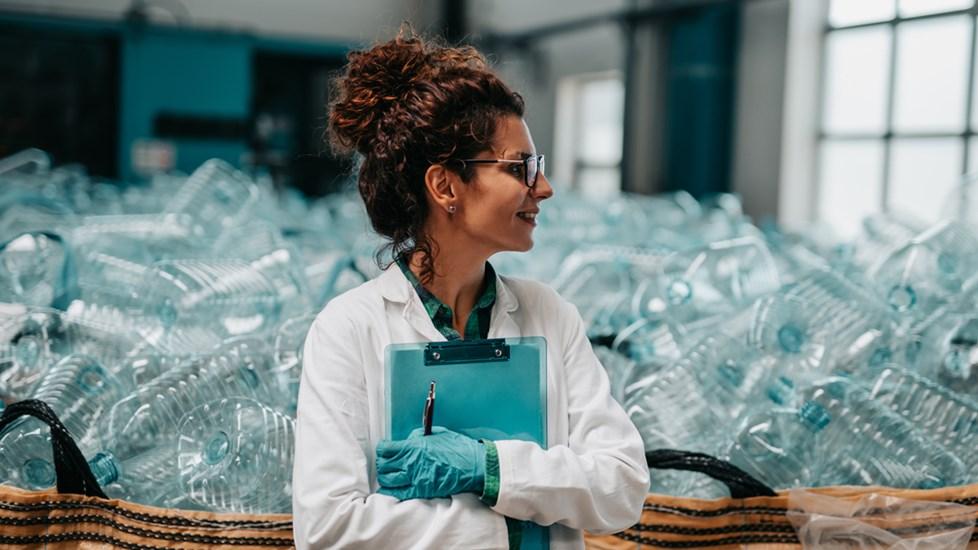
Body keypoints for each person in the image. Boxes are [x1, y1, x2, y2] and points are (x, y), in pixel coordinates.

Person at [292, 28, 649, 550]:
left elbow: (622, 486)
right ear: (446, 186)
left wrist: (489, 468)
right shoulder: (349, 329)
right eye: (519, 168)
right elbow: (329, 530)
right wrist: (512, 525)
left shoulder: (548, 315)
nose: (542, 188)